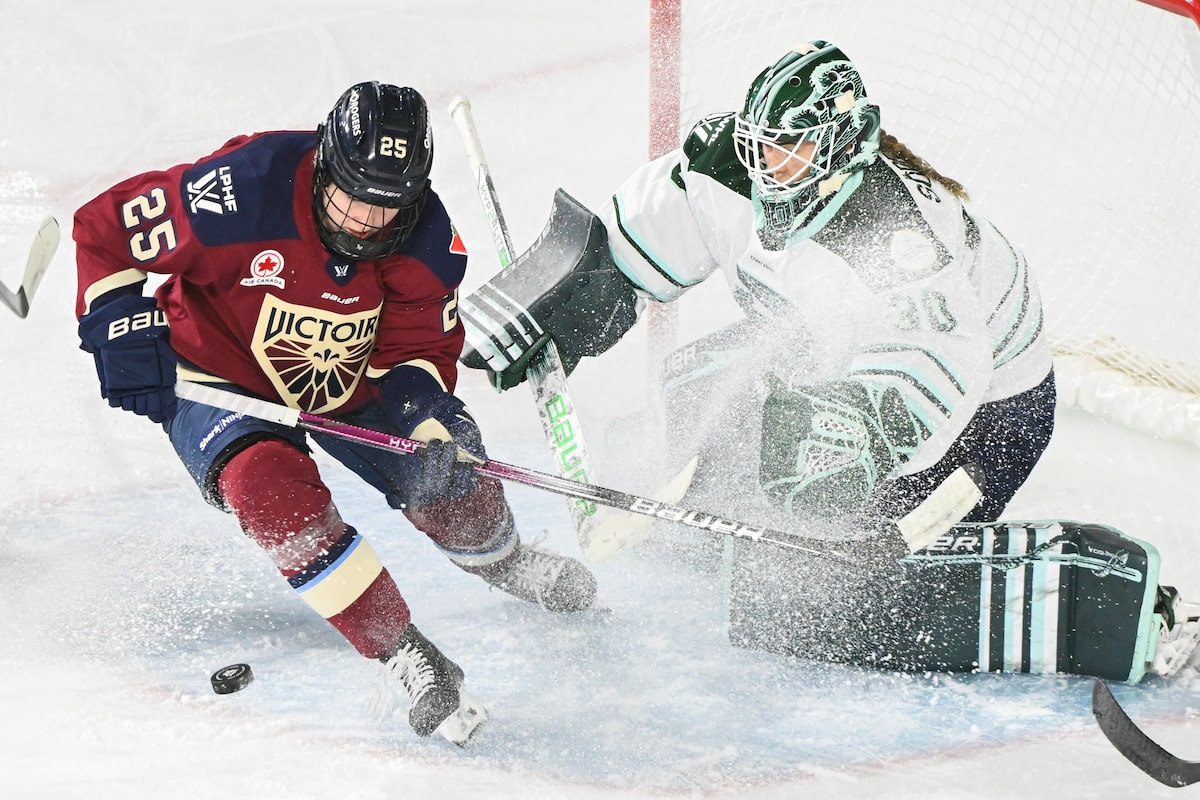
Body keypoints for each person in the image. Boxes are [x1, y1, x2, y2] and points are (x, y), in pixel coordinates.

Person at [456, 42, 1199, 681]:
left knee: (810, 594)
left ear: (846, 144)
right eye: (758, 145)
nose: (765, 167)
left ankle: (1113, 599)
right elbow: (627, 243)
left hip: (985, 418)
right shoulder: (726, 170)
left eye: (790, 149)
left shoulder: (896, 238)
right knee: (693, 399)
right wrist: (550, 302)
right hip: (823, 353)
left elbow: (947, 363)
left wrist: (853, 435)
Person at [73, 80, 596, 744]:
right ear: (323, 165)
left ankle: (506, 560)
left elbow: (418, 352)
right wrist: (119, 320)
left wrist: (431, 425)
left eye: (387, 210)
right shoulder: (239, 189)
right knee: (267, 492)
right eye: (350, 199)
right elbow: (103, 229)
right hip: (219, 369)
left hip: (347, 382)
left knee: (452, 478)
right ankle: (405, 650)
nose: (364, 224)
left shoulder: (429, 244)